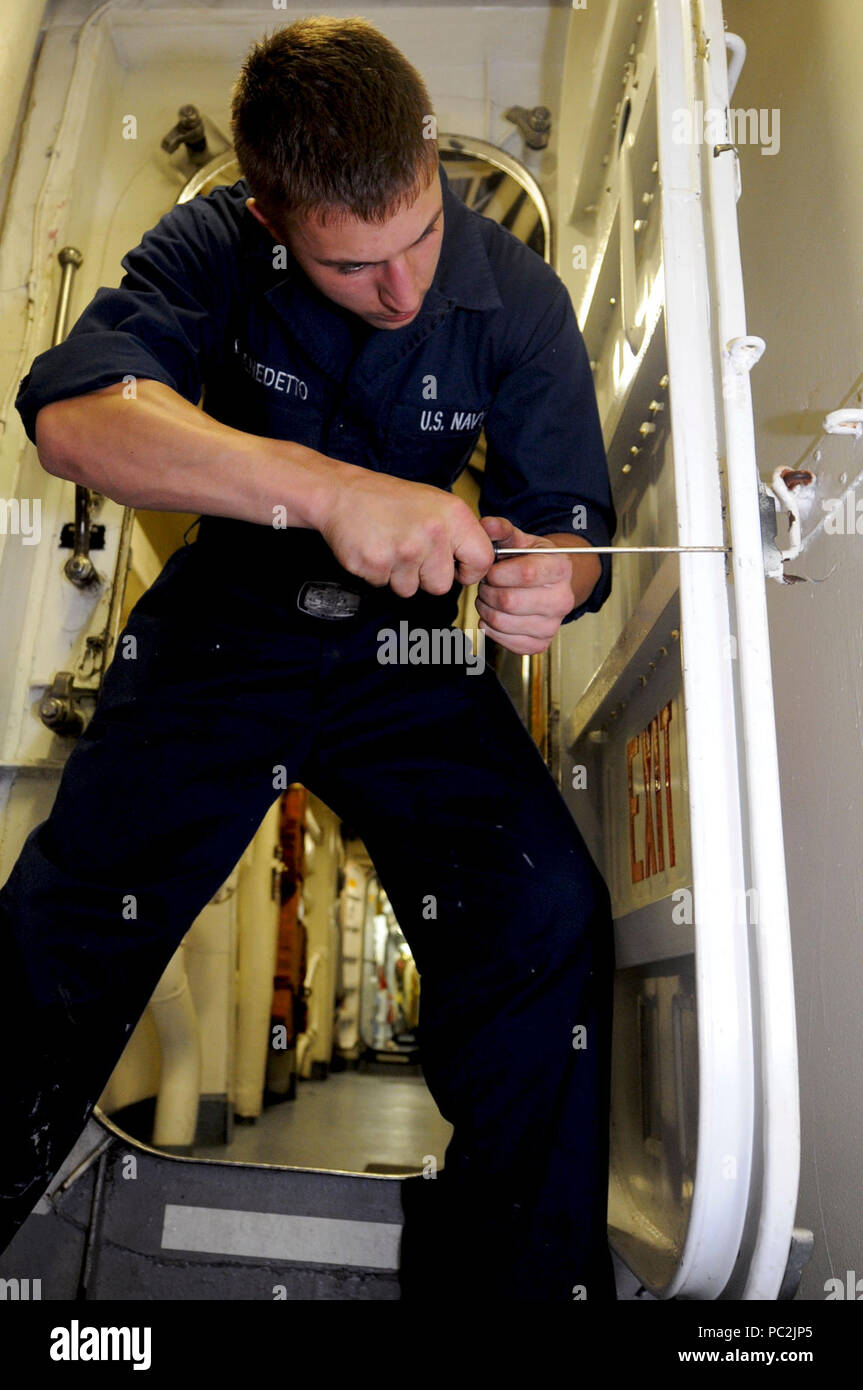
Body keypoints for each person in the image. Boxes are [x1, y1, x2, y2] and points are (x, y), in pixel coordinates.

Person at [2, 16, 617, 1301]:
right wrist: (332, 493)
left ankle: (502, 1285)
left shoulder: (516, 295)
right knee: (66, 933)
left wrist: (545, 585)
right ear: (275, 218)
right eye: (352, 268)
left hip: (405, 656)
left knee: (544, 915)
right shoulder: (214, 243)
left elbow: (575, 539)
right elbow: (74, 418)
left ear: (430, 162)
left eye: (418, 241)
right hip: (225, 630)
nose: (401, 294)